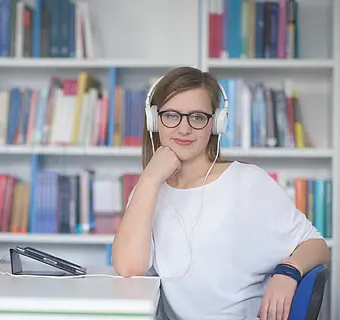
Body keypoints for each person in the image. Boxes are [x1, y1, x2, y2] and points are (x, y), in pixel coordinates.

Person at [111, 67, 330, 320]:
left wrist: (289, 270)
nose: (184, 129)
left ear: (216, 123)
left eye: (197, 117)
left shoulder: (246, 182)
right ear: (154, 120)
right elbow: (129, 267)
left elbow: (317, 245)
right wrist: (149, 178)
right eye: (171, 115)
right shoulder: (148, 191)